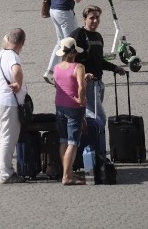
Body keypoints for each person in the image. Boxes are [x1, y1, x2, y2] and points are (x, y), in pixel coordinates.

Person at [72, 5, 126, 158]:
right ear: (84, 19)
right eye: (91, 18)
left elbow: (99, 60)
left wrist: (115, 68)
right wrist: (80, 76)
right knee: (98, 118)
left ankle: (92, 149)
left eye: (97, 17)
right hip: (86, 84)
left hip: (99, 84)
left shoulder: (98, 37)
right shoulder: (78, 35)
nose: (95, 21)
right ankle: (93, 151)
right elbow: (69, 59)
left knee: (92, 119)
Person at [0, 28, 28, 184]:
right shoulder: (13, 56)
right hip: (7, 102)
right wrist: (18, 84)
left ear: (8, 40)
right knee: (8, 137)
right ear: (22, 42)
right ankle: (6, 172)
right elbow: (17, 70)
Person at [43, 0, 85, 85]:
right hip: (65, 11)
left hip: (53, 9)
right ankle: (68, 74)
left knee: (60, 41)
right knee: (71, 43)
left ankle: (49, 71)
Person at [53, 36, 86, 185]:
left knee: (63, 140)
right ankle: (67, 176)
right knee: (73, 142)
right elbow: (81, 86)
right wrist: (80, 100)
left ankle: (68, 172)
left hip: (60, 106)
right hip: (74, 107)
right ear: (74, 52)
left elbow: (59, 84)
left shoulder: (56, 68)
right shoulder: (78, 67)